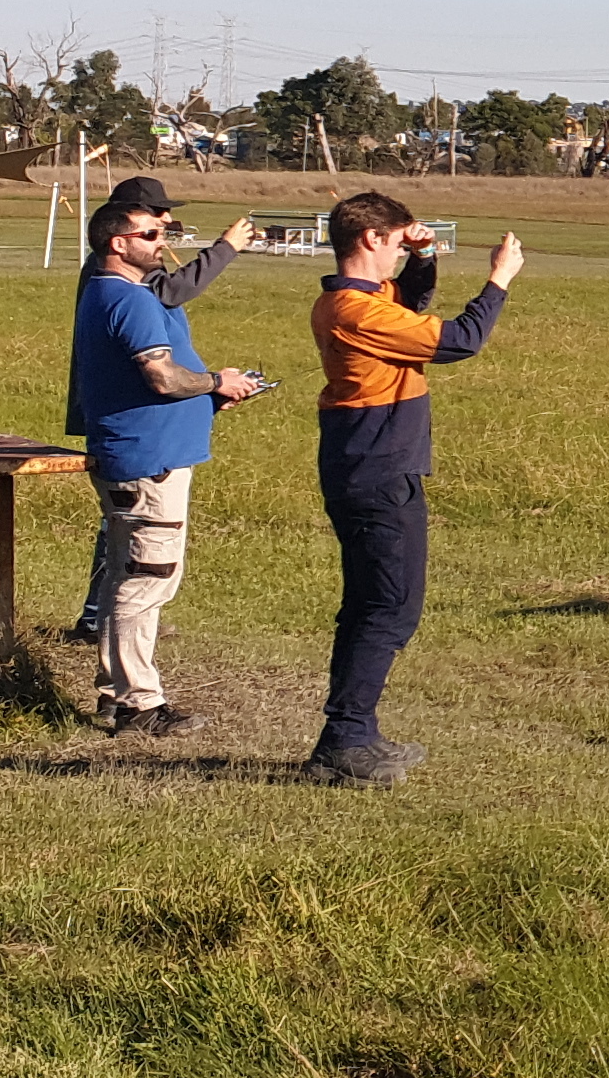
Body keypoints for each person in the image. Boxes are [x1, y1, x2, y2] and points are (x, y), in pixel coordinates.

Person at [304, 191, 522, 788]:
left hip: (365, 462)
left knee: (371, 604)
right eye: (398, 238)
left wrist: (423, 258)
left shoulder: (354, 302)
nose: (405, 245)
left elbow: (412, 301)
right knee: (389, 607)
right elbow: (458, 340)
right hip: (377, 469)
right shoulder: (356, 312)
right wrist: (498, 279)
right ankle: (345, 740)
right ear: (371, 239)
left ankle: (351, 733)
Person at [64, 196, 273, 736]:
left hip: (139, 456)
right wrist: (213, 383)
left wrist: (206, 398)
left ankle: (117, 694)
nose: (166, 243)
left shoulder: (108, 292)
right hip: (148, 463)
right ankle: (138, 704)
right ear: (119, 243)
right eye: (154, 234)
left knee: (127, 575)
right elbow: (160, 377)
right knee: (147, 580)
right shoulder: (127, 299)